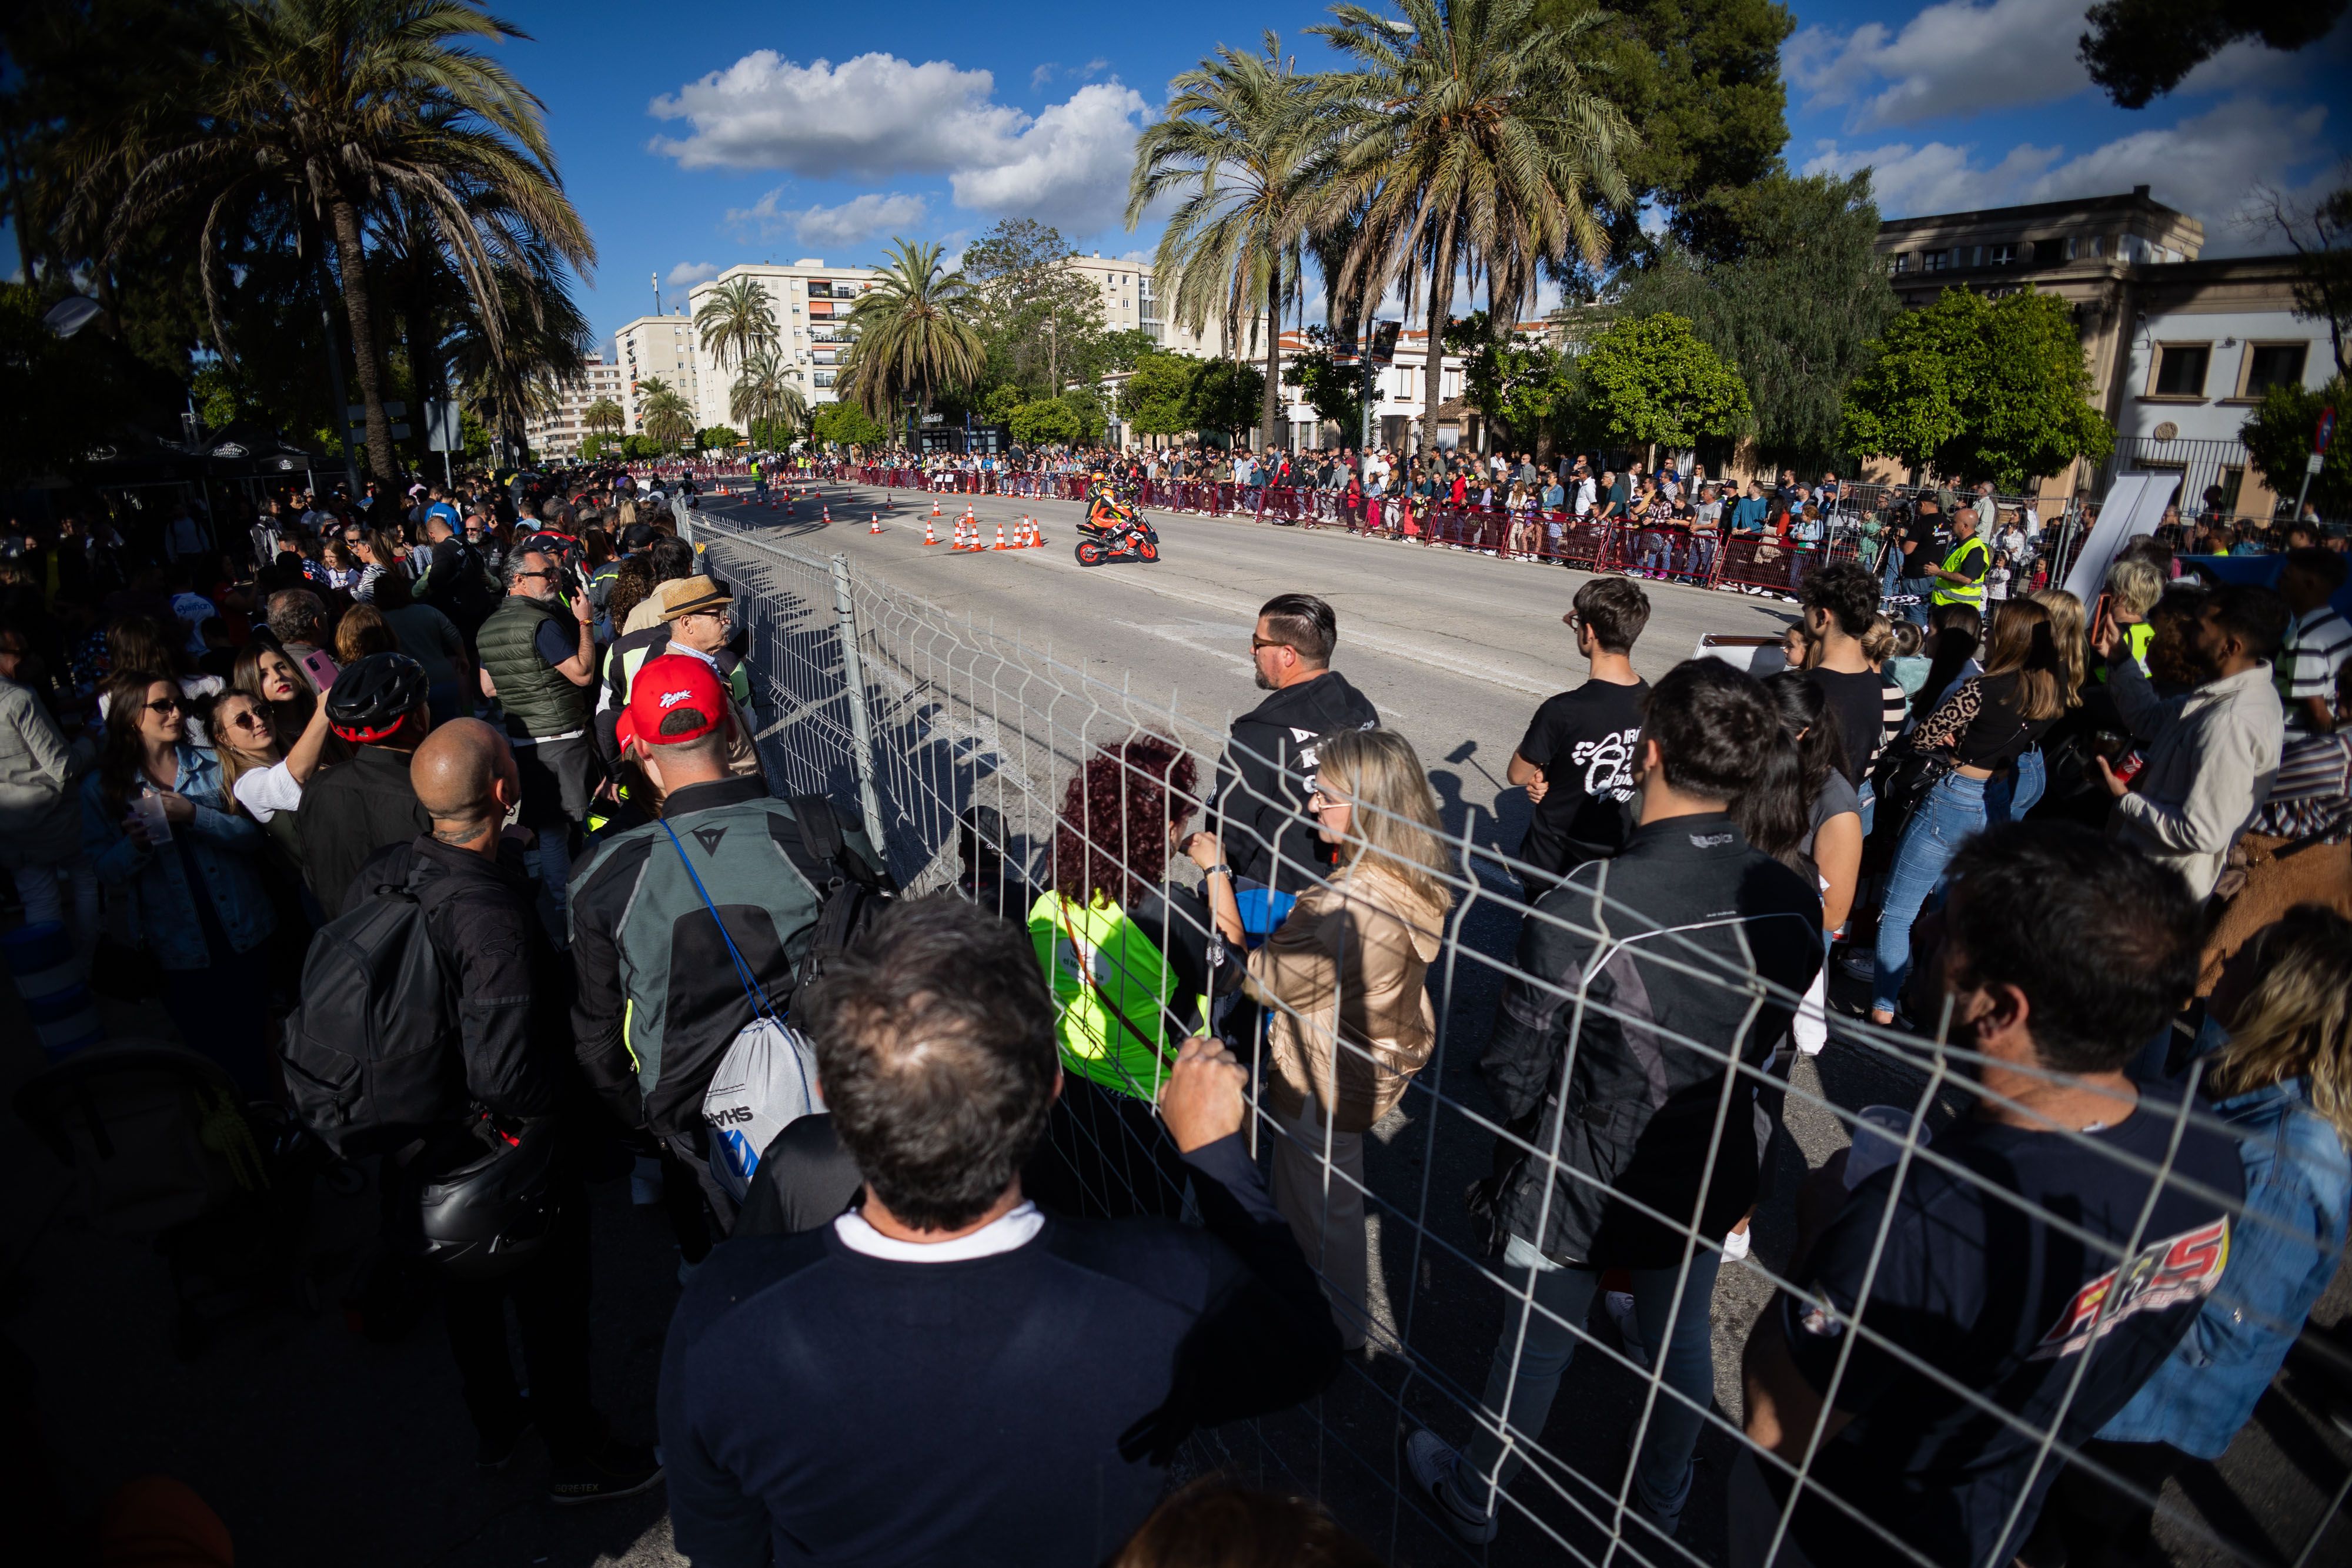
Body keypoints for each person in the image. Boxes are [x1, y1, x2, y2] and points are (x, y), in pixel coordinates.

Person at [658, 899, 1342, 1567]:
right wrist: (1215, 1154)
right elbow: (1307, 1350)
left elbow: (723, 1545)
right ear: (1051, 1083)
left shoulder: (724, 1317)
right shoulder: (1161, 1288)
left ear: (831, 1097)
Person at [1735, 825, 2246, 1568]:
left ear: (2001, 1011)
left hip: (1837, 1535)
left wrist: (1821, 1236)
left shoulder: (1919, 1221)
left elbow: (1772, 1422)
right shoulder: (2207, 1155)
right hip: (1991, 1525)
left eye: (1948, 928)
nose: (1921, 929)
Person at [1407, 658, 1823, 1546]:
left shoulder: (1587, 902)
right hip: (1710, 1160)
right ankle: (1663, 1500)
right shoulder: (1792, 898)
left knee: (1536, 1349)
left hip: (1581, 1174)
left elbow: (1512, 1069)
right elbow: (1770, 1045)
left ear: (1651, 750)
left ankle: (1477, 1495)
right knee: (1680, 1344)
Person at [349, 719, 663, 1502]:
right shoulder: (489, 918)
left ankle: (497, 1425)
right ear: (503, 789)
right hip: (498, 1154)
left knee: (468, 1298)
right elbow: (507, 1072)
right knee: (551, 1307)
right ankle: (576, 1453)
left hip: (420, 1137)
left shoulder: (393, 870)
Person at [2031, 906, 2352, 1566]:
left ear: (2276, 999)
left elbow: (2223, 1326)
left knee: (2083, 1532)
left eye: (2243, 958)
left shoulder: (2292, 1161)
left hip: (2148, 1398)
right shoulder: (2229, 1072)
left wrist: (2095, 1305)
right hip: (2115, 1360)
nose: (2222, 960)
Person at [569, 654, 887, 1251]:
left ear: (641, 751)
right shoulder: (822, 828)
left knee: (739, 1252)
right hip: (836, 1088)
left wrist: (648, 1119)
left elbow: (596, 1035)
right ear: (734, 727)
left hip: (690, 1113)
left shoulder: (603, 873)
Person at [1200, 726, 1451, 1352]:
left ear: (1369, 807)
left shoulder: (1343, 907)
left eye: (1326, 795)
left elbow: (1254, 977)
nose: (1311, 803)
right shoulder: (1410, 869)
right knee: (1330, 1198)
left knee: (1310, 1207)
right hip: (1373, 1056)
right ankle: (1332, 1318)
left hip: (1321, 1076)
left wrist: (1216, 871)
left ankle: (1325, 1331)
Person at [1026, 737, 1224, 1221]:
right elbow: (1229, 968)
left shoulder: (1046, 906)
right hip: (1152, 1102)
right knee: (1147, 1220)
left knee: (1084, 1207)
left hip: (1073, 1085)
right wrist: (1216, 868)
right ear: (1166, 829)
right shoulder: (1167, 912)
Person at [1870, 598, 2072, 1024]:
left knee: (1899, 911)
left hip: (1954, 794)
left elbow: (1923, 736)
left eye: (1995, 629)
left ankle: (1883, 1009)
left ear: (2009, 638)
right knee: (1952, 913)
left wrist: (1955, 743)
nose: (1989, 636)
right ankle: (1930, 1005)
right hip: (1993, 796)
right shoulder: (2045, 692)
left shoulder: (1982, 688)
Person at [81, 671, 276, 1091]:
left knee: (261, 1041)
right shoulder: (102, 788)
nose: (176, 714)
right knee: (210, 1053)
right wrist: (135, 845)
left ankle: (273, 1117)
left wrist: (194, 815)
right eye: (162, 706)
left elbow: (253, 838)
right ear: (131, 715)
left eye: (179, 705)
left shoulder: (212, 764)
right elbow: (104, 871)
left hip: (243, 927)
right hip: (175, 945)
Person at [2093, 584, 2288, 901]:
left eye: (2199, 626)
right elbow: (2149, 718)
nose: (2186, 631)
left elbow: (2202, 832)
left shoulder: (2232, 720)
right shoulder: (2223, 692)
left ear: (2230, 647)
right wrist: (2119, 657)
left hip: (2153, 895)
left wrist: (2127, 798)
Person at [1210, 593, 1379, 930]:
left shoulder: (1259, 736)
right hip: (1356, 890)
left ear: (1287, 654)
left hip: (1276, 907)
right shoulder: (1362, 710)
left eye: (1259, 642)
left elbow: (1228, 837)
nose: (1252, 650)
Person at [477, 547, 599, 936]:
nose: (555, 579)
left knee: (549, 829)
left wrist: (526, 683)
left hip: (525, 741)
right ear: (518, 580)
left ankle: (564, 909)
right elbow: (582, 673)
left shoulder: (488, 628)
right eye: (547, 574)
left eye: (556, 572)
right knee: (581, 824)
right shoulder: (542, 624)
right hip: (564, 740)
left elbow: (488, 687)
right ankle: (583, 906)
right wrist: (585, 622)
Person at [1505, 576, 1648, 892]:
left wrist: (1541, 770)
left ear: (1590, 632)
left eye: (1577, 622)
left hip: (1555, 859)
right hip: (1615, 855)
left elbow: (1517, 775)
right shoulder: (1655, 701)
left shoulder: (1563, 710)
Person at [296, 651, 435, 918]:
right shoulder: (430, 794)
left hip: (341, 934)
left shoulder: (317, 786)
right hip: (417, 940)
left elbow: (314, 877)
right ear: (418, 720)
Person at [0, 623, 93, 952]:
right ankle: (93, 959)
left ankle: (54, 970)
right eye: (20, 653)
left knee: (38, 899)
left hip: (12, 823)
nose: (28, 659)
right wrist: (88, 742)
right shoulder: (18, 699)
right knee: (87, 876)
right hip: (54, 817)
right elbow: (61, 766)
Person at [1798, 560, 1892, 784]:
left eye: (1806, 606)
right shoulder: (1874, 684)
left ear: (1823, 617)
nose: (1803, 611)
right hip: (1847, 798)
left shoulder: (1803, 689)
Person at [371, 567, 472, 725]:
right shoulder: (428, 611)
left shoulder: (379, 623)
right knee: (450, 727)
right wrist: (463, 657)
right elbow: (454, 635)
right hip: (443, 679)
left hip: (410, 687)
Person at [2277, 547, 2350, 735]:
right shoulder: (2341, 625)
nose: (2278, 582)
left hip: (2300, 741)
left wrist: (2330, 744)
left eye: (2286, 577)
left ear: (2309, 584)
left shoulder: (2305, 638)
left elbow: (2318, 714)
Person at [266, 587, 339, 693]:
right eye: (324, 613)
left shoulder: (275, 669)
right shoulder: (329, 670)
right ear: (317, 623)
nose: (327, 617)